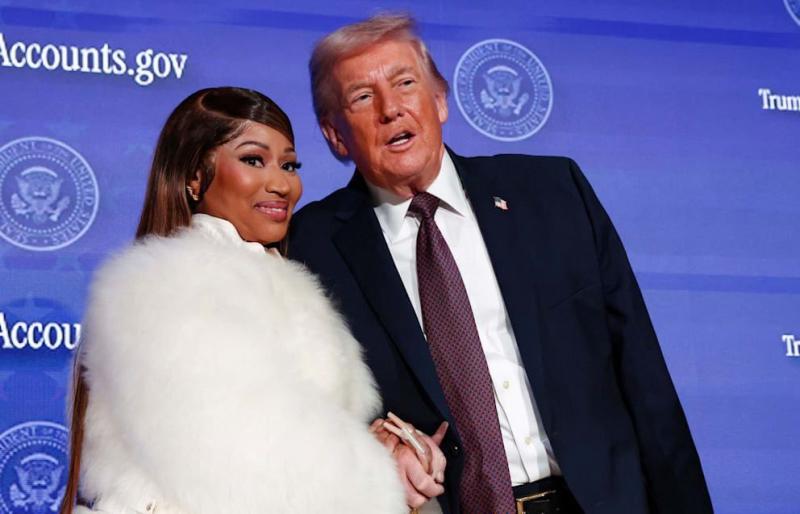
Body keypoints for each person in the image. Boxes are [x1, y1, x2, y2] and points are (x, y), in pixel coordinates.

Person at [289, 14, 713, 514]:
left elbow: (644, 380)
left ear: (440, 100)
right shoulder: (313, 245)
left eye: (405, 83)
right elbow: (308, 408)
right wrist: (372, 442)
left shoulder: (553, 194)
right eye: (362, 97)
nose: (390, 108)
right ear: (334, 135)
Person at [60, 87, 414, 514]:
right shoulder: (168, 287)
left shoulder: (283, 287)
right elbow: (251, 475)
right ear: (195, 176)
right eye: (253, 160)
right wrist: (380, 470)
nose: (281, 184)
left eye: (289, 165)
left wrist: (396, 454)